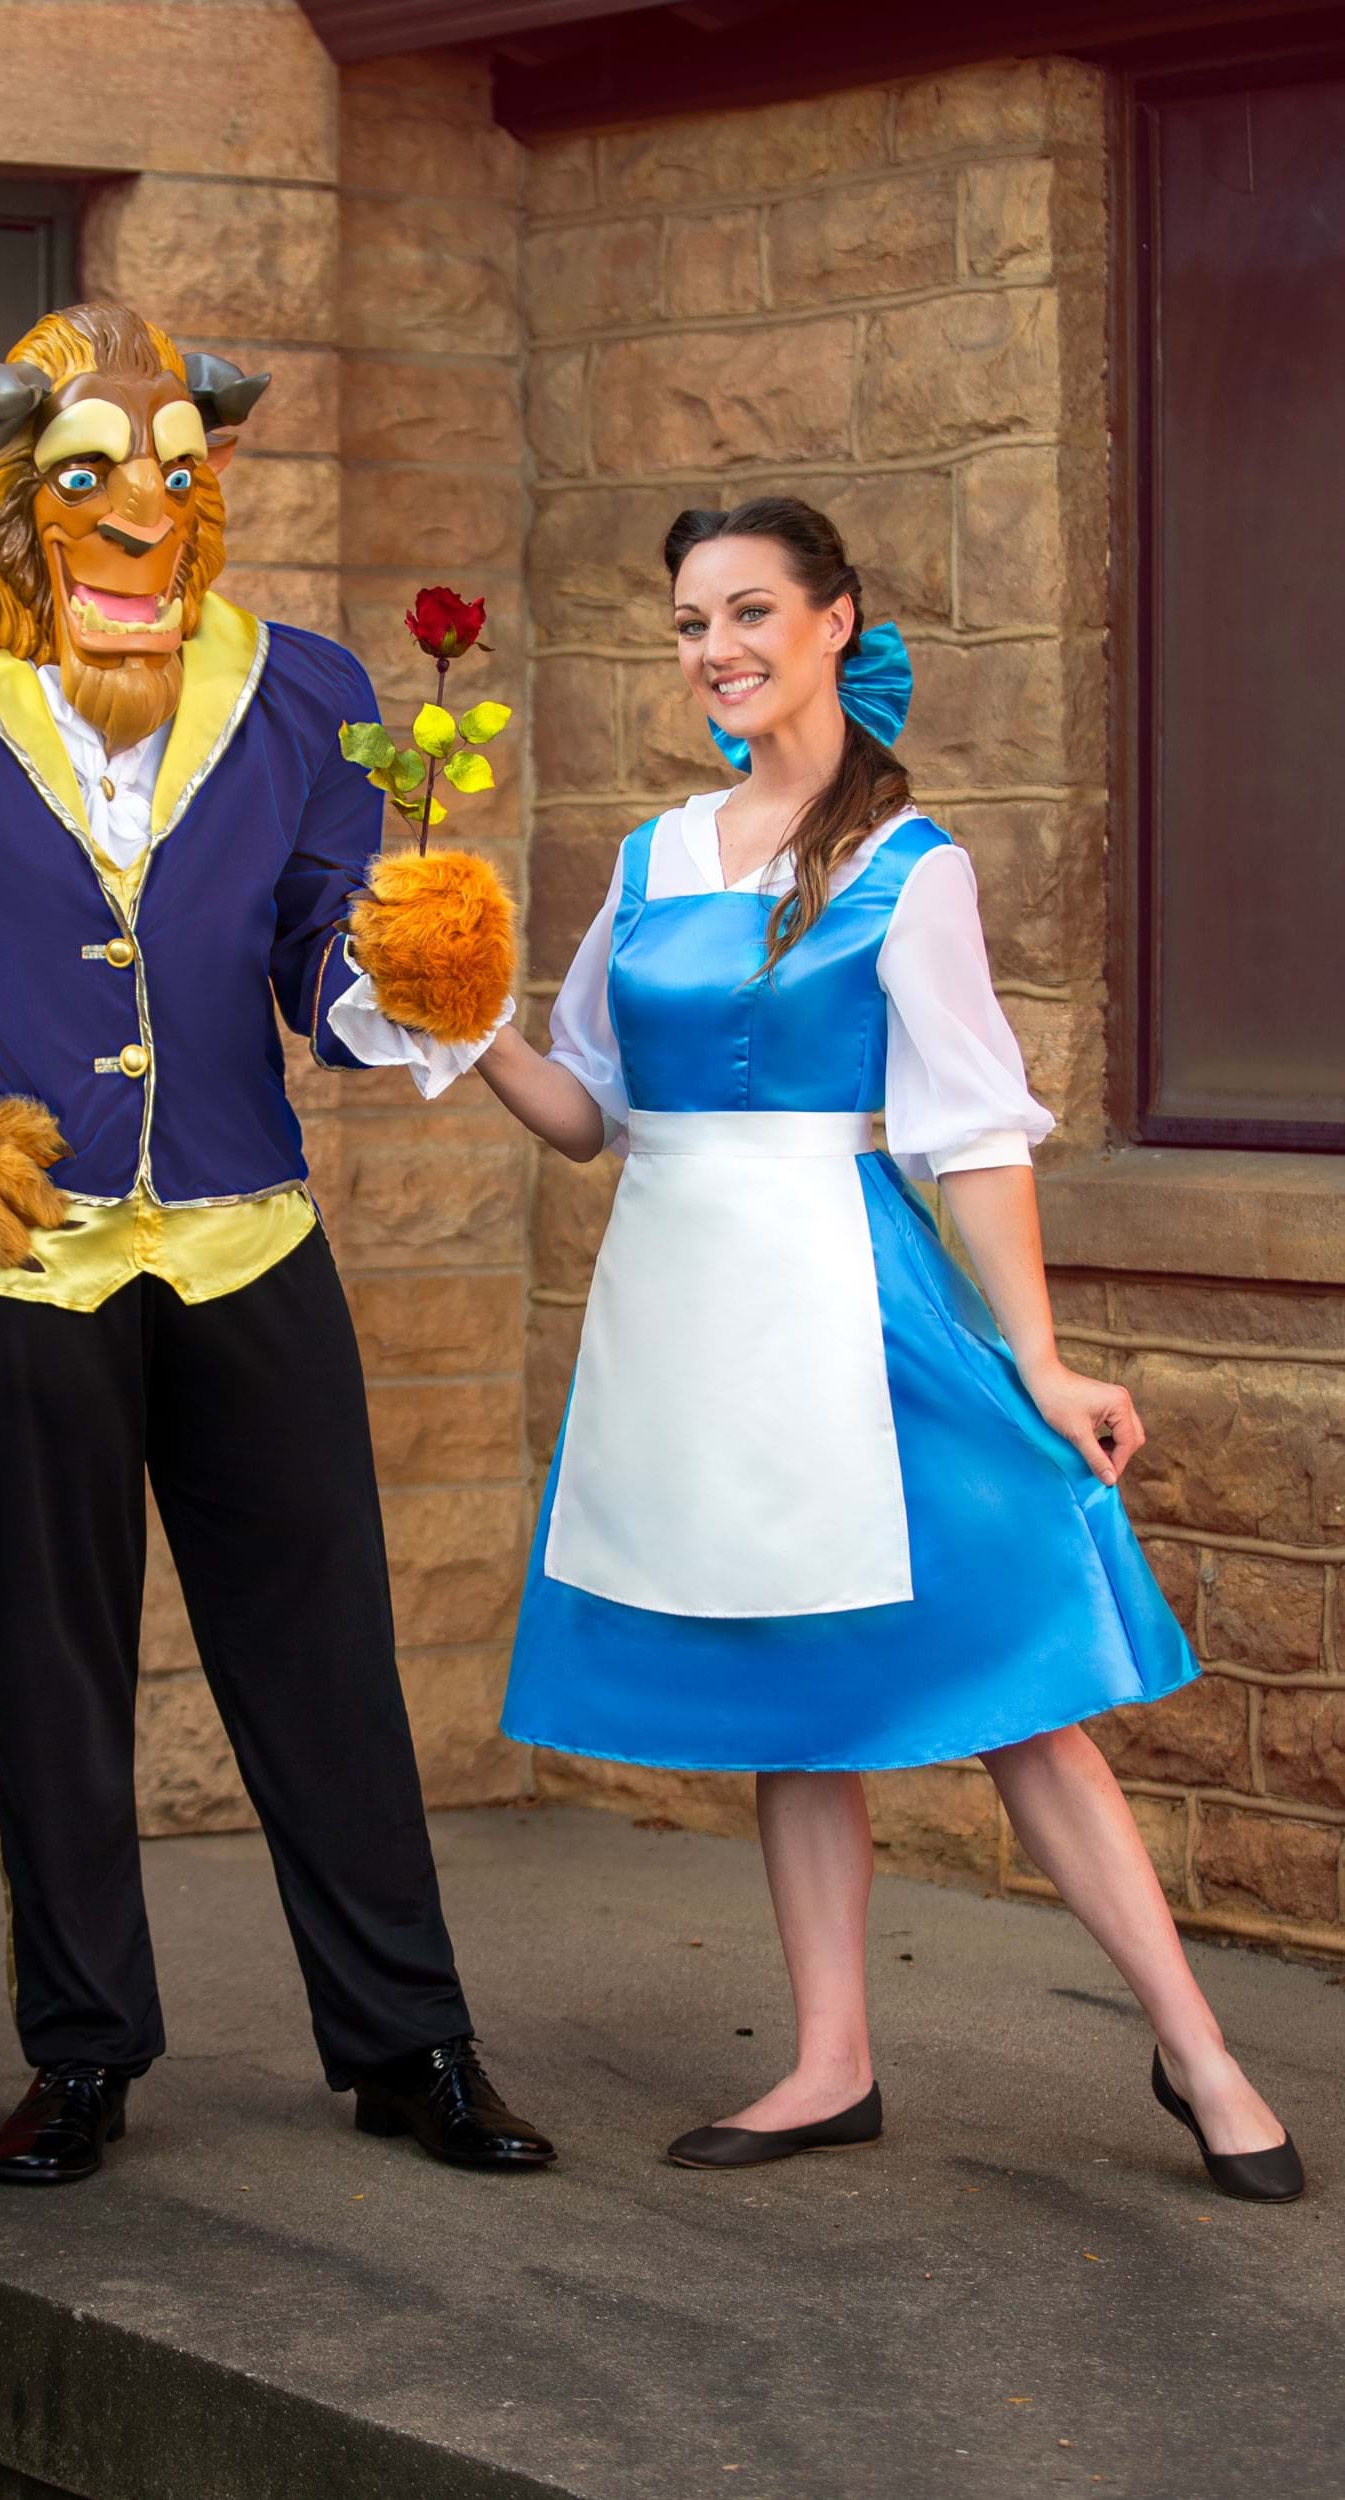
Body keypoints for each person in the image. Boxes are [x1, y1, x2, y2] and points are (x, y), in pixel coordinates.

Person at [0, 300, 552, 2184]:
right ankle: (82, 2053)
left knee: (325, 1655)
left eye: (174, 476)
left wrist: (405, 971)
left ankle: (410, 2041)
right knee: (56, 1671)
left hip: (248, 1238)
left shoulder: (300, 687)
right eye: (91, 480)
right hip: (15, 1247)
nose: (141, 517)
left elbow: (319, 967)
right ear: (12, 488)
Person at [337, 494, 1301, 2205]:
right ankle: (829, 2060)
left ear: (833, 620)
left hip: (859, 1306)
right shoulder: (651, 859)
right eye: (688, 623)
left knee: (1020, 1691)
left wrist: (1039, 1359)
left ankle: (1199, 2054)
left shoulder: (910, 868)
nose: (713, 649)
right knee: (791, 1692)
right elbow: (587, 1114)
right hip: (683, 1320)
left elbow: (971, 1136)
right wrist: (456, 1014)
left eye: (747, 612)